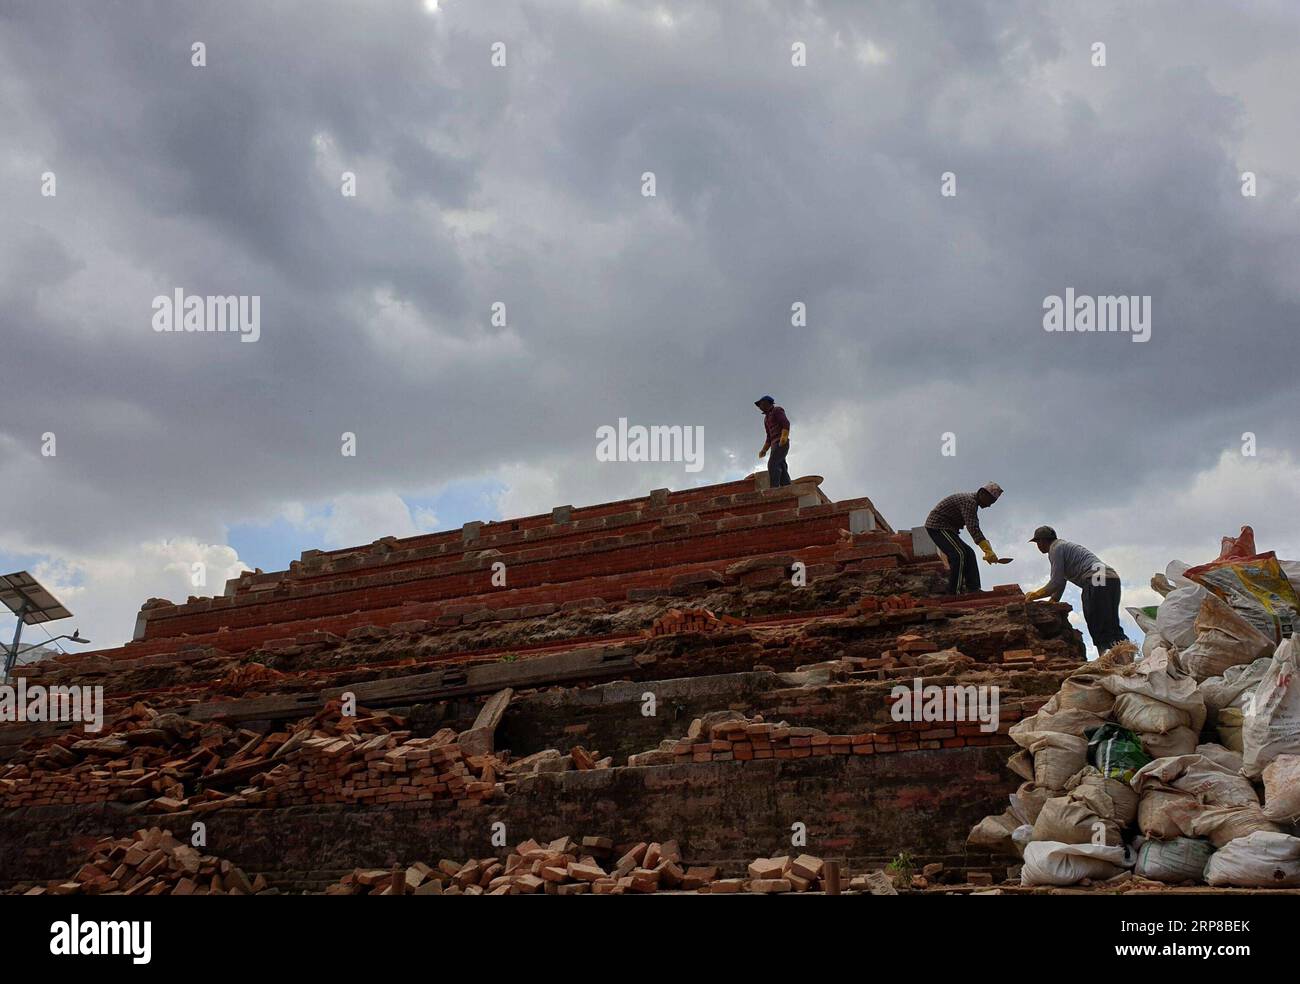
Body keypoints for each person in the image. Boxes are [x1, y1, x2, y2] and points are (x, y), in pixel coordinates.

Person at [1024, 526, 1129, 654]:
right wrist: (1053, 602)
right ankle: (1124, 652)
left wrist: (1034, 595)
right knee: (1109, 621)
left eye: (1037, 542)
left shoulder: (1056, 549)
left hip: (1096, 578)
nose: (1038, 546)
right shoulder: (1062, 546)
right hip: (1111, 578)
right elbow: (1061, 582)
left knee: (1096, 619)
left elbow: (1055, 582)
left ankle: (1107, 657)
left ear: (1043, 541)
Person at [924, 483, 1004, 594]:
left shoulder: (972, 502)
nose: (989, 505)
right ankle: (954, 592)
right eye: (990, 501)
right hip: (938, 526)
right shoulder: (969, 502)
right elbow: (973, 528)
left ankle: (973, 589)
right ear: (982, 493)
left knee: (970, 554)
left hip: (948, 529)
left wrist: (987, 549)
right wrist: (987, 549)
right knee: (959, 554)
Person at [755, 396, 791, 488]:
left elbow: (785, 423)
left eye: (761, 403)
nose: (760, 406)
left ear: (768, 402)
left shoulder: (777, 410)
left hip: (781, 442)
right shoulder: (766, 419)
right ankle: (786, 486)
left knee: (773, 464)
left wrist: (784, 436)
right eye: (759, 405)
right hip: (774, 444)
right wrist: (764, 450)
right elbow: (769, 437)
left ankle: (774, 488)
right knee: (781, 465)